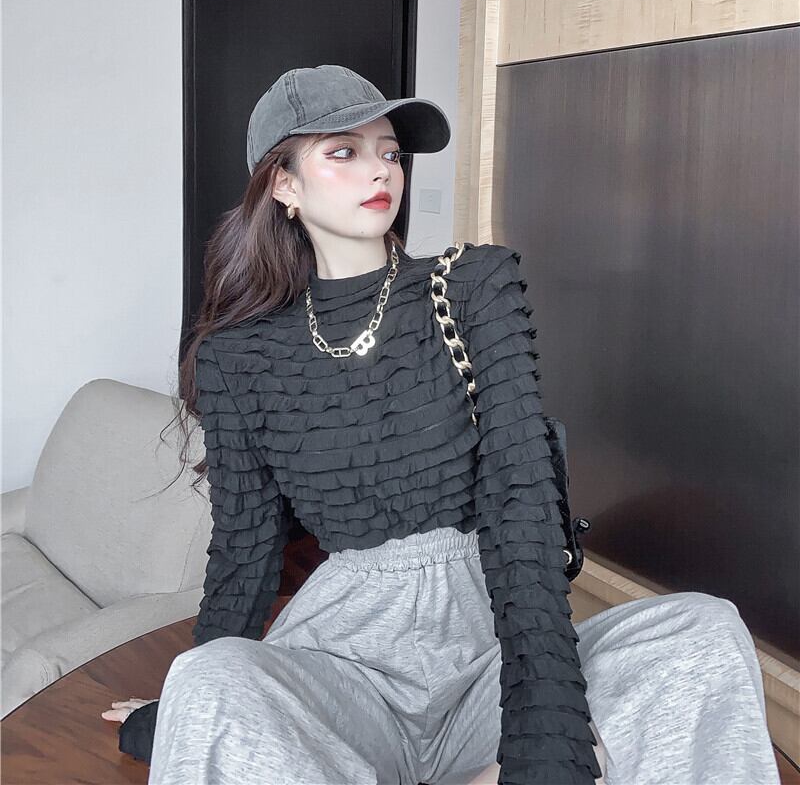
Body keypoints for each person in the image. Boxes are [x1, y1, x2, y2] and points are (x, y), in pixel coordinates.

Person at [101, 65, 780, 785]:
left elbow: (521, 505)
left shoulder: (472, 287)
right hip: (344, 672)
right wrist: (184, 705)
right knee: (209, 679)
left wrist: (546, 744)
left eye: (390, 152)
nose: (380, 171)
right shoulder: (239, 356)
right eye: (344, 152)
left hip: (490, 660)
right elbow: (244, 551)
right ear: (284, 185)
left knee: (702, 633)